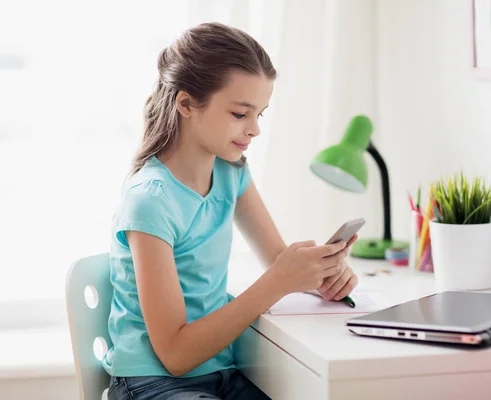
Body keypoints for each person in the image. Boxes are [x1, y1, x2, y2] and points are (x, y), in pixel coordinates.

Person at [103, 22, 359, 400]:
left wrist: (320, 271)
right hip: (152, 380)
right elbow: (176, 355)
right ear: (186, 103)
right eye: (240, 114)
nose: (254, 129)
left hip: (221, 371)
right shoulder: (151, 200)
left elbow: (277, 259)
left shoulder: (231, 173)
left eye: (260, 114)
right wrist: (280, 279)